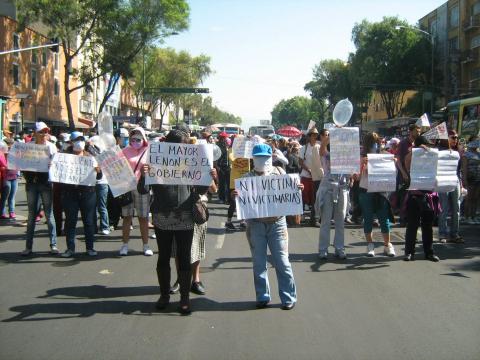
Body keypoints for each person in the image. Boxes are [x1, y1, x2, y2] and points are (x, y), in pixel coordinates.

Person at [141, 129, 214, 314]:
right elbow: (142, 190)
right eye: (178, 146)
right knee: (163, 256)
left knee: (184, 258)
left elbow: (201, 190)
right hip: (162, 215)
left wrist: (209, 176)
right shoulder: (156, 161)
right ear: (167, 146)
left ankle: (184, 298)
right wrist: (144, 175)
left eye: (183, 146)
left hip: (185, 216)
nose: (181, 149)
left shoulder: (191, 162)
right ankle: (164, 295)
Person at [233, 143, 301, 310]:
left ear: (271, 158)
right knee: (259, 263)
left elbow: (289, 192)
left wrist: (297, 188)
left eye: (265, 158)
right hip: (256, 225)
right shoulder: (247, 178)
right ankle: (262, 296)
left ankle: (288, 297)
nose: (262, 161)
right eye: (258, 158)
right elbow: (242, 202)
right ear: (253, 159)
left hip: (277, 223)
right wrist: (236, 195)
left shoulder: (280, 173)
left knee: (283, 262)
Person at [60, 132, 101, 258]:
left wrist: (98, 171)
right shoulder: (64, 157)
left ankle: (90, 248)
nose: (79, 142)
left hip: (88, 193)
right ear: (71, 142)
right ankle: (70, 248)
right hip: (70, 193)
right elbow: (59, 175)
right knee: (70, 221)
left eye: (81, 140)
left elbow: (99, 177)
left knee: (88, 222)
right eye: (76, 140)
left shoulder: (91, 157)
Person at [21, 122, 58, 256]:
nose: (44, 134)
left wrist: (52, 165)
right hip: (31, 184)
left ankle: (53, 245)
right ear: (35, 133)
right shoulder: (28, 147)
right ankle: (28, 247)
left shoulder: (51, 147)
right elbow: (22, 164)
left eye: (46, 131)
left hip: (46, 183)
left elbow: (57, 165)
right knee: (32, 215)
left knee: (49, 214)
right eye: (41, 132)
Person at [357, 132, 396, 257]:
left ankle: (387, 245)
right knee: (368, 219)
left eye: (377, 142)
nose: (375, 145)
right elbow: (356, 177)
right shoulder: (361, 157)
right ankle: (370, 245)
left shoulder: (384, 155)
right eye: (373, 142)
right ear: (367, 144)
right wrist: (361, 163)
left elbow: (392, 173)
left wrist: (392, 162)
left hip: (381, 191)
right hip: (366, 191)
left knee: (384, 219)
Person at [403, 136, 440, 262]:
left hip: (430, 195)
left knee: (428, 226)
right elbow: (406, 162)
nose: (428, 147)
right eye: (426, 145)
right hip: (415, 194)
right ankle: (409, 253)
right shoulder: (412, 155)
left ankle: (429, 253)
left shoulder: (432, 156)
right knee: (412, 225)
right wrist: (416, 150)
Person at [314, 128, 349, 260]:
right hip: (328, 189)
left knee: (340, 220)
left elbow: (353, 173)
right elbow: (322, 149)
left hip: (342, 188)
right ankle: (323, 249)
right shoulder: (326, 154)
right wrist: (331, 136)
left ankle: (339, 248)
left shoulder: (346, 156)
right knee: (326, 220)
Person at [119, 127, 152, 256]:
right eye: (132, 139)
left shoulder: (149, 151)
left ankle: (145, 245)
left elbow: (155, 171)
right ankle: (125, 245)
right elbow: (117, 168)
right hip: (127, 188)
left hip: (142, 188)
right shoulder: (124, 151)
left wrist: (147, 173)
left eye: (138, 139)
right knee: (127, 217)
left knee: (143, 218)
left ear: (143, 138)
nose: (135, 141)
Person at [437, 130, 463, 243]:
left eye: (456, 137)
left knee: (456, 207)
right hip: (443, 179)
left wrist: (461, 184)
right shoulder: (439, 150)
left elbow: (459, 170)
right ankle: (442, 234)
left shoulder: (457, 151)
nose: (455, 139)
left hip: (455, 179)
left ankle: (454, 233)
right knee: (444, 207)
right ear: (446, 138)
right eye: (453, 137)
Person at [299, 128, 323, 226]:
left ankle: (315, 219)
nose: (315, 136)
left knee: (315, 199)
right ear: (309, 136)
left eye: (316, 135)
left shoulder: (319, 147)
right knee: (304, 198)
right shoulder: (304, 148)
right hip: (305, 176)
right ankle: (301, 217)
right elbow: (300, 162)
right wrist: (308, 169)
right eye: (313, 135)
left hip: (316, 177)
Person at [461, 135, 480, 224]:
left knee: (476, 198)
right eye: (475, 141)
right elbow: (464, 168)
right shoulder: (466, 154)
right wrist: (464, 179)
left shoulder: (478, 153)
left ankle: (473, 216)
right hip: (470, 178)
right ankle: (467, 216)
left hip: (478, 178)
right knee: (469, 198)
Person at [0, 138, 19, 219]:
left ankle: (11, 212)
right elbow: (2, 166)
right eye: (9, 144)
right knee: (4, 196)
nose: (10, 146)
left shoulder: (16, 154)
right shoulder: (2, 154)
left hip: (14, 177)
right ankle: (2, 212)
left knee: (12, 196)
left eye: (12, 144)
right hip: (6, 178)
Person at [216, 132, 231, 203]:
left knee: (228, 184)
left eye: (225, 138)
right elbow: (215, 158)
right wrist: (217, 166)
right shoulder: (217, 146)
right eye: (223, 138)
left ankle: (228, 198)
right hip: (221, 167)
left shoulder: (228, 146)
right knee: (221, 183)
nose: (224, 139)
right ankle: (222, 198)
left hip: (228, 167)